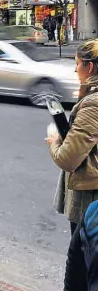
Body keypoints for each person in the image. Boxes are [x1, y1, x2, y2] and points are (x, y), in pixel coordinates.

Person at [47, 39, 98, 234]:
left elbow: (67, 158)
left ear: (90, 66)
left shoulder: (93, 104)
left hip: (90, 198)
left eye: (77, 63)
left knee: (81, 260)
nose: (75, 70)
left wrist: (55, 141)